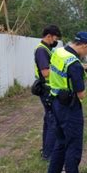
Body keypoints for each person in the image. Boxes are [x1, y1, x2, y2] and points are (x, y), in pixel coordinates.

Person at [42, 31, 87, 173]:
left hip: (56, 104)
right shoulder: (74, 64)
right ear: (85, 46)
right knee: (73, 148)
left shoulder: (59, 52)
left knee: (60, 143)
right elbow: (81, 94)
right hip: (70, 109)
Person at [34, 25, 61, 160]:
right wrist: (61, 72)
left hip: (48, 89)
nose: (55, 41)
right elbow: (45, 73)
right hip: (46, 90)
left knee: (48, 120)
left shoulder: (47, 49)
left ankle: (46, 149)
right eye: (55, 38)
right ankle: (48, 154)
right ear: (49, 36)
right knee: (52, 121)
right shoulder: (42, 51)